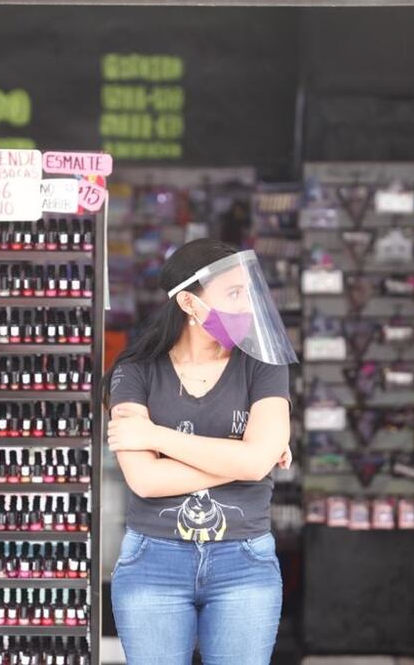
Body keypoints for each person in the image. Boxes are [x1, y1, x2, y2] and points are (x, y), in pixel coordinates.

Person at [104, 238, 297, 665]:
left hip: (244, 560)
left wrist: (156, 437)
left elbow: (255, 461)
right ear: (190, 304)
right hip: (153, 559)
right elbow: (146, 481)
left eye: (248, 292)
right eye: (232, 293)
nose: (246, 305)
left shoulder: (263, 365)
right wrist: (248, 459)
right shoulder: (134, 372)